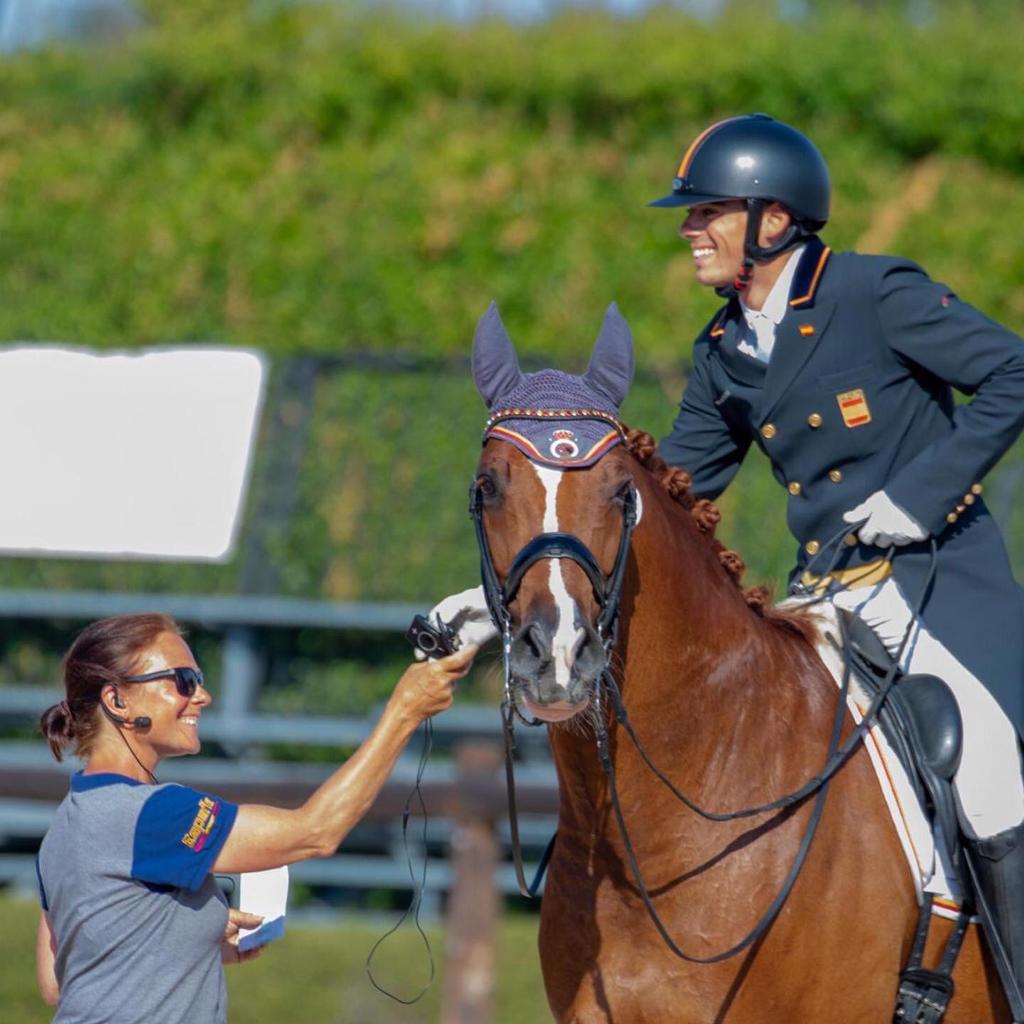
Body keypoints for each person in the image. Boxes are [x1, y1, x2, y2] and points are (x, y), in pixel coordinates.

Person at [648, 113, 1024, 1003]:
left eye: (706, 212)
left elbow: (1013, 372)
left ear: (771, 222)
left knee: (990, 774)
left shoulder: (872, 294)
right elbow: (672, 496)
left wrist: (917, 496)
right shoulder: (724, 349)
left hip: (935, 586)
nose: (687, 229)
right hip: (828, 597)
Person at [34, 612, 476, 1022]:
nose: (202, 696)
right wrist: (403, 712)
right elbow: (315, 833)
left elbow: (59, 980)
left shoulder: (64, 827)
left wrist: (184, 939)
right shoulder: (154, 813)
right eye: (183, 681)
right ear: (117, 700)